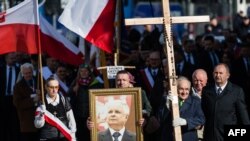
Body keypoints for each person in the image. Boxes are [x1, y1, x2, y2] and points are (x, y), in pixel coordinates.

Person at [201, 63, 250, 141]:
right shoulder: (206, 90)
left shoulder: (237, 91)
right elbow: (203, 112)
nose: (218, 75)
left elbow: (243, 116)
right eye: (216, 73)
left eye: (221, 73)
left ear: (227, 75)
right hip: (210, 136)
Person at [162, 76, 205, 141]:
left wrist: (186, 121)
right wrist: (167, 107)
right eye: (181, 89)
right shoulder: (168, 99)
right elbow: (160, 118)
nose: (184, 92)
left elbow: (201, 119)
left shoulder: (195, 102)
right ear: (176, 89)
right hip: (170, 138)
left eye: (187, 89)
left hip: (188, 137)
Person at [68, 64, 103, 141]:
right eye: (81, 71)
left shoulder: (96, 84)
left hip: (91, 116)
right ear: (79, 73)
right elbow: (69, 98)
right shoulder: (75, 83)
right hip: (78, 116)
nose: (83, 73)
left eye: (85, 71)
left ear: (89, 72)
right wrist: (73, 91)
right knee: (80, 136)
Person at [13, 63, 40, 141]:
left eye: (29, 73)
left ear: (32, 72)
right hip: (27, 122)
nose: (28, 75)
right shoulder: (18, 86)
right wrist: (32, 100)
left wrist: (41, 94)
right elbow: (17, 103)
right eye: (26, 73)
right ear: (22, 73)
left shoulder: (39, 81)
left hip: (41, 119)